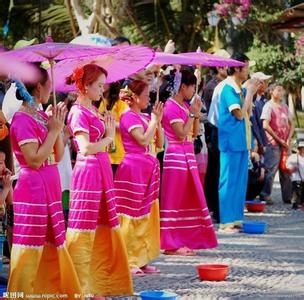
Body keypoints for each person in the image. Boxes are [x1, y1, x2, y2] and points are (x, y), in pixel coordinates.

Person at [7, 68, 82, 297]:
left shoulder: (40, 116)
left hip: (50, 186)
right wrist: (53, 132)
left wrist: (57, 128)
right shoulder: (21, 119)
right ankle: (22, 293)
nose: (52, 88)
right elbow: (34, 159)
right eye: (49, 83)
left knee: (53, 239)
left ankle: (50, 291)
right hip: (33, 188)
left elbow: (57, 156)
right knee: (30, 243)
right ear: (38, 87)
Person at [66, 64, 133, 297]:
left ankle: (98, 284)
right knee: (84, 228)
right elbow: (84, 148)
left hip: (101, 171)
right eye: (99, 85)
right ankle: (79, 287)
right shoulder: (77, 112)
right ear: (85, 86)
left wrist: (108, 133)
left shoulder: (94, 110)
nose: (103, 90)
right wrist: (107, 137)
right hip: (89, 173)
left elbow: (105, 144)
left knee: (102, 227)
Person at [160, 69, 217, 255]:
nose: (193, 89)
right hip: (175, 157)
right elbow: (180, 133)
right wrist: (192, 114)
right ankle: (170, 243)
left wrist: (196, 113)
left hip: (187, 155)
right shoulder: (170, 106)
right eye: (192, 86)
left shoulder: (184, 105)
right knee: (173, 200)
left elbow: (192, 133)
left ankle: (185, 238)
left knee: (187, 199)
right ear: (182, 86)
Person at [114, 80, 163, 276]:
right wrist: (153, 121)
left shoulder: (143, 116)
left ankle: (142, 258)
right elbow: (142, 140)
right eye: (146, 95)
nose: (149, 98)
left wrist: (157, 121)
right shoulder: (127, 116)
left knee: (146, 214)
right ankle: (128, 258)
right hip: (133, 169)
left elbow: (158, 142)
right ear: (134, 97)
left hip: (148, 167)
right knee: (131, 215)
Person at [217, 53, 259, 233]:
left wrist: (250, 93)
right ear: (236, 68)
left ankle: (235, 218)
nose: (248, 71)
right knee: (228, 181)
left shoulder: (239, 88)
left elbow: (247, 111)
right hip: (230, 142)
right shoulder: (227, 88)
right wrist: (249, 92)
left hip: (242, 141)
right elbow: (239, 114)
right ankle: (226, 221)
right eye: (246, 67)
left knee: (240, 182)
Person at [260, 83, 294, 205]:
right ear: (271, 92)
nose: (280, 93)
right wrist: (279, 139)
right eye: (278, 90)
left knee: (286, 170)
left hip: (285, 143)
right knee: (271, 169)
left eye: (282, 90)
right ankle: (265, 195)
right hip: (273, 143)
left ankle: (288, 196)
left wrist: (289, 139)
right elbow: (265, 125)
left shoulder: (284, 106)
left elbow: (292, 123)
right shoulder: (268, 106)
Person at [203, 66, 228, 223]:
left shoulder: (220, 84)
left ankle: (212, 208)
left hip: (216, 133)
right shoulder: (214, 86)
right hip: (214, 133)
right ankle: (217, 210)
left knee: (214, 173)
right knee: (218, 172)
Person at [99, 82, 128, 175]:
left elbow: (127, 127)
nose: (102, 84)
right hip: (103, 153)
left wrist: (110, 122)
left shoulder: (121, 104)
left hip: (117, 154)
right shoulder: (100, 103)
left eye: (104, 81)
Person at [250, 72, 272, 155]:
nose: (267, 84)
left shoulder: (264, 101)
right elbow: (255, 125)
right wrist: (260, 143)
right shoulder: (252, 101)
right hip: (256, 143)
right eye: (264, 82)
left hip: (265, 142)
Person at [286, 139, 304, 210]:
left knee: (302, 192)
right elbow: (287, 167)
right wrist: (291, 170)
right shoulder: (293, 157)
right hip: (296, 178)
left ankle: (301, 204)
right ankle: (296, 204)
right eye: (302, 148)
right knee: (297, 191)